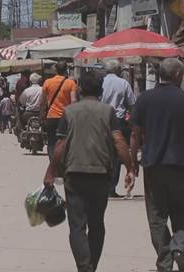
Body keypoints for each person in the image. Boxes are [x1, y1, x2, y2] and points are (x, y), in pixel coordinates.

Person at [44, 72, 135, 272]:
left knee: (77, 226)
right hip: (101, 175)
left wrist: (51, 171)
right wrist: (130, 168)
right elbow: (119, 141)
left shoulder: (69, 112)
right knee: (97, 224)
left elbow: (60, 145)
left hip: (74, 174)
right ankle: (90, 267)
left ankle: (85, 267)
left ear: (80, 90)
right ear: (100, 91)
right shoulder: (108, 111)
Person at [130, 58, 184, 272]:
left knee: (157, 217)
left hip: (153, 166)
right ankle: (181, 247)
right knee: (183, 213)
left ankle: (164, 262)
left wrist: (132, 162)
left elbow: (135, 134)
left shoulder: (145, 99)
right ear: (178, 76)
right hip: (182, 167)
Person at [101, 59, 136, 198]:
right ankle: (111, 188)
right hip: (118, 121)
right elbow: (132, 103)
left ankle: (102, 185)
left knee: (103, 152)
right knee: (117, 154)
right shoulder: (123, 83)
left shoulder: (101, 82)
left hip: (101, 119)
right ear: (117, 70)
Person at [41, 60, 78, 161]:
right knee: (66, 141)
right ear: (66, 70)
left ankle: (53, 164)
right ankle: (64, 162)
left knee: (52, 142)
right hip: (66, 117)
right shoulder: (71, 83)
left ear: (55, 70)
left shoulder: (47, 82)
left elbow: (43, 102)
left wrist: (42, 115)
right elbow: (74, 101)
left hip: (51, 117)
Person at [16, 73, 43, 139]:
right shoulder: (43, 89)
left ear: (30, 81)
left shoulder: (27, 91)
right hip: (40, 113)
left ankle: (21, 134)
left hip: (28, 114)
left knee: (19, 118)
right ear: (39, 81)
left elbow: (21, 101)